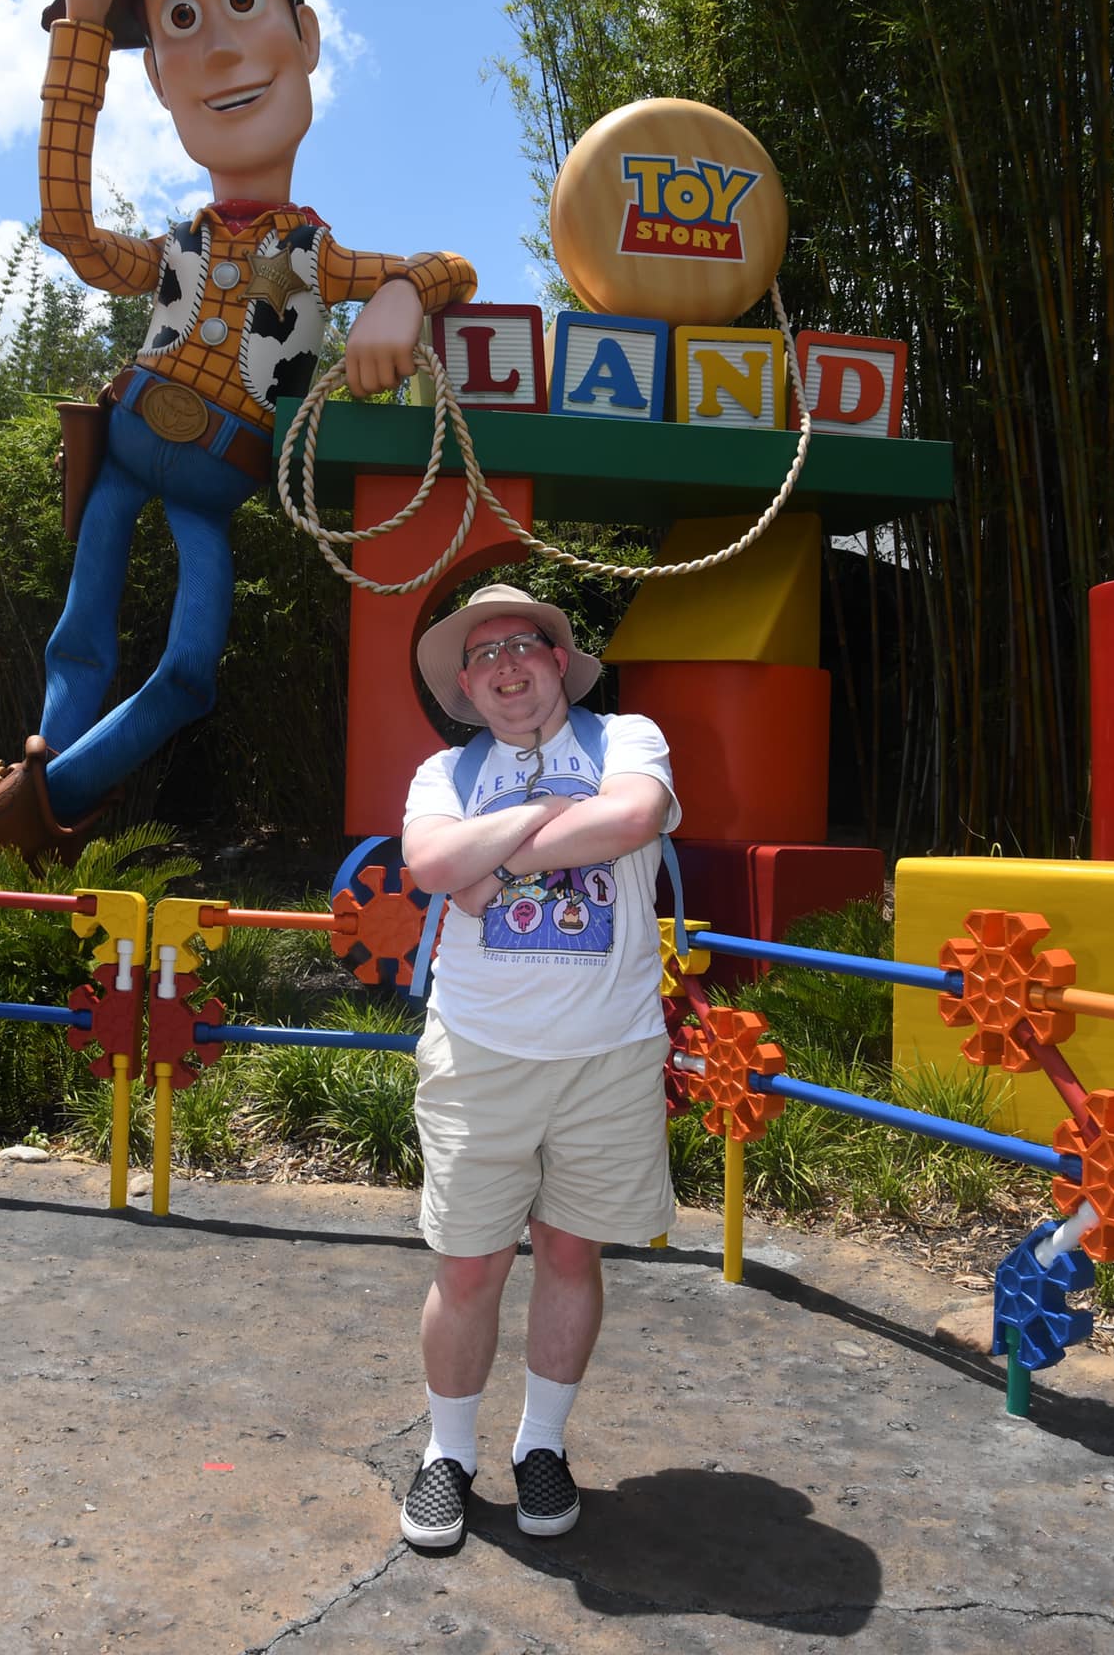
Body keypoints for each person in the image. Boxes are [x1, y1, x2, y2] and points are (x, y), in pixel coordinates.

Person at [0, 0, 475, 866]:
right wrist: (80, 32)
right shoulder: (173, 245)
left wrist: (402, 293)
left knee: (189, 669)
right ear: (157, 76)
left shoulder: (317, 257)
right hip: (131, 442)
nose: (220, 49)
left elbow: (450, 265)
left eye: (240, 0)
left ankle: (39, 804)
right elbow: (71, 231)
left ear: (304, 36)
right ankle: (35, 786)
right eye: (181, 19)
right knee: (79, 630)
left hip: (219, 475)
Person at [398, 581, 680, 1549]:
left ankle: (541, 1444)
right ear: (465, 686)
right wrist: (557, 816)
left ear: (558, 660)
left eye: (521, 644)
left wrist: (499, 859)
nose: (504, 665)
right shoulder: (442, 772)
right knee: (468, 1263)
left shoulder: (626, 739)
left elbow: (631, 817)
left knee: (570, 1253)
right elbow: (431, 868)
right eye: (482, 655)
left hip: (608, 1051)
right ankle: (445, 1453)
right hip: (479, 1052)